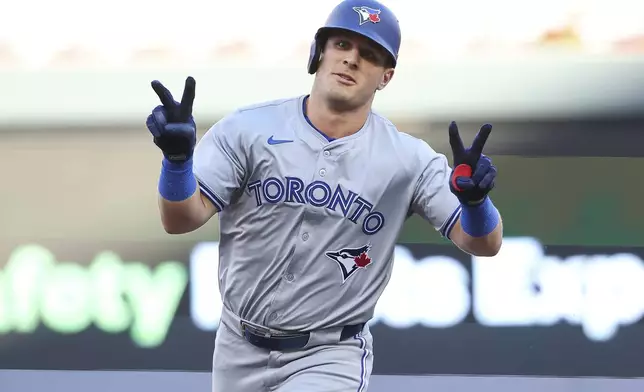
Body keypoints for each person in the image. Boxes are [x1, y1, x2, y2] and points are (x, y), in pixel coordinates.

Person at [145, 0, 503, 390]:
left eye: (369, 54)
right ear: (318, 53)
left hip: (329, 355)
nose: (351, 60)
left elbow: (484, 243)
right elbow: (179, 219)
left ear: (386, 76)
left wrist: (476, 205)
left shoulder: (407, 158)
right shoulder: (248, 129)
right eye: (342, 45)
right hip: (236, 345)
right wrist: (177, 163)